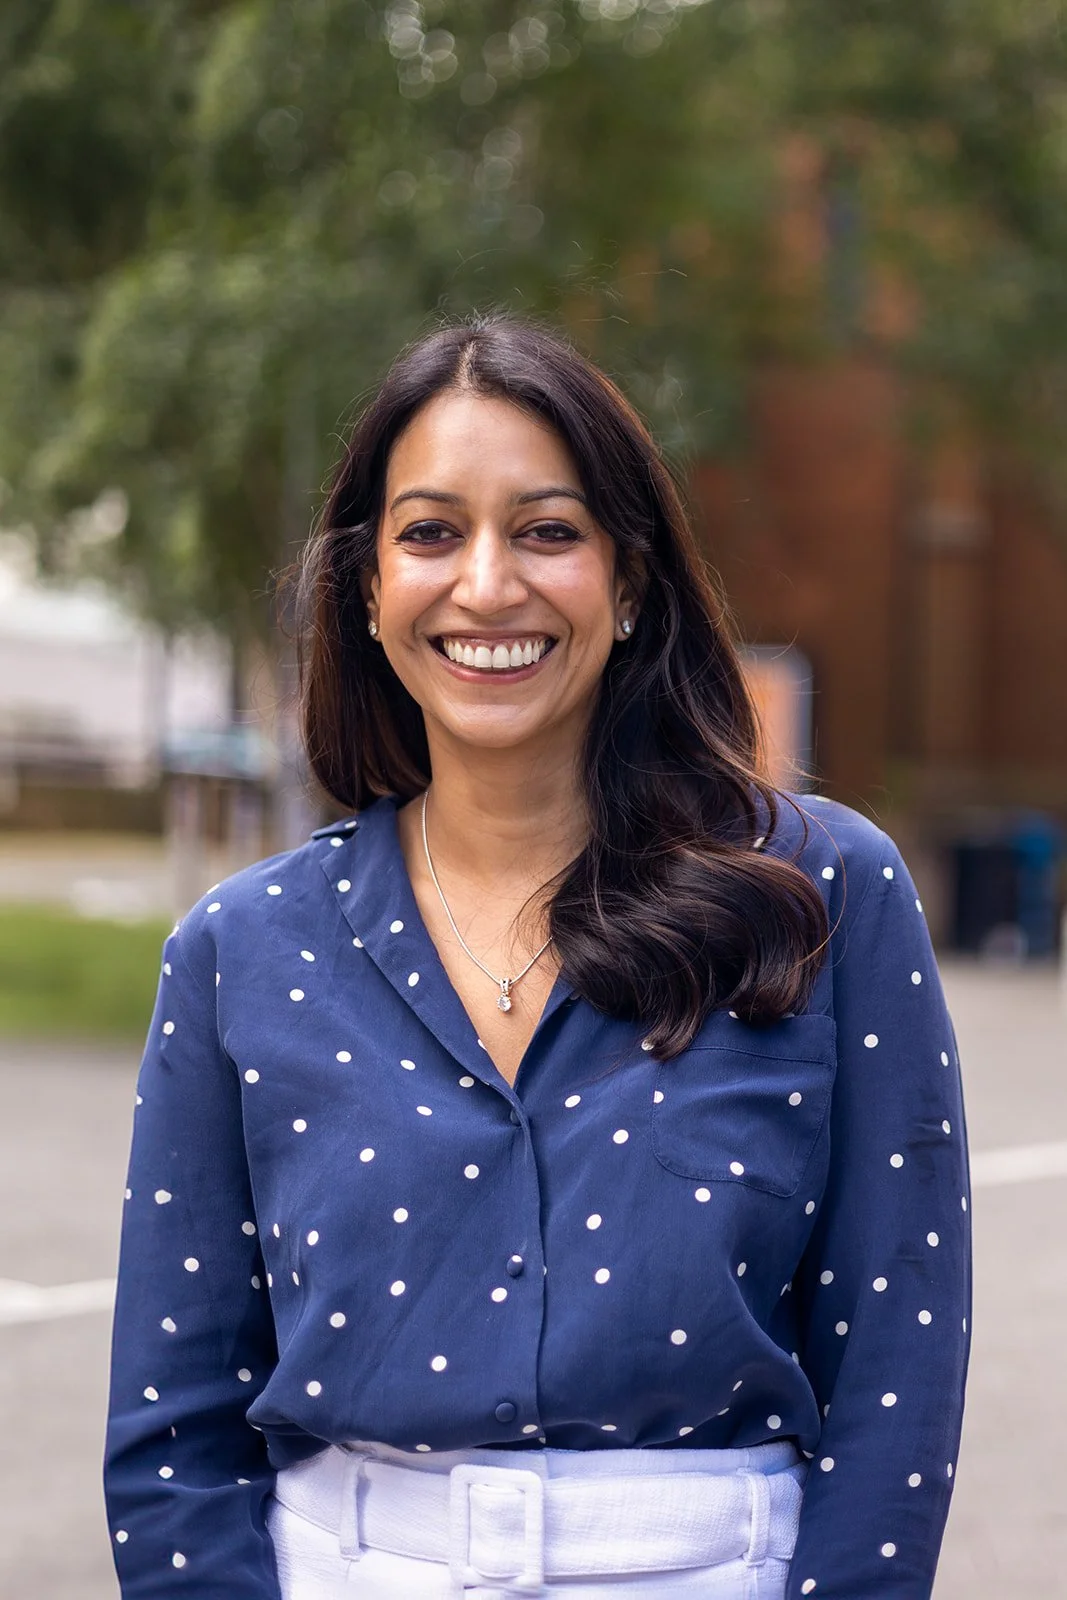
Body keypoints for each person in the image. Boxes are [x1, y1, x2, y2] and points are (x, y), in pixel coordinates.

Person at [104, 317, 971, 1599]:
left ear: (629, 585)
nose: (487, 583)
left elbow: (895, 1367)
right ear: (368, 587)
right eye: (431, 532)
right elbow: (173, 1432)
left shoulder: (821, 894)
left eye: (548, 531)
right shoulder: (240, 949)